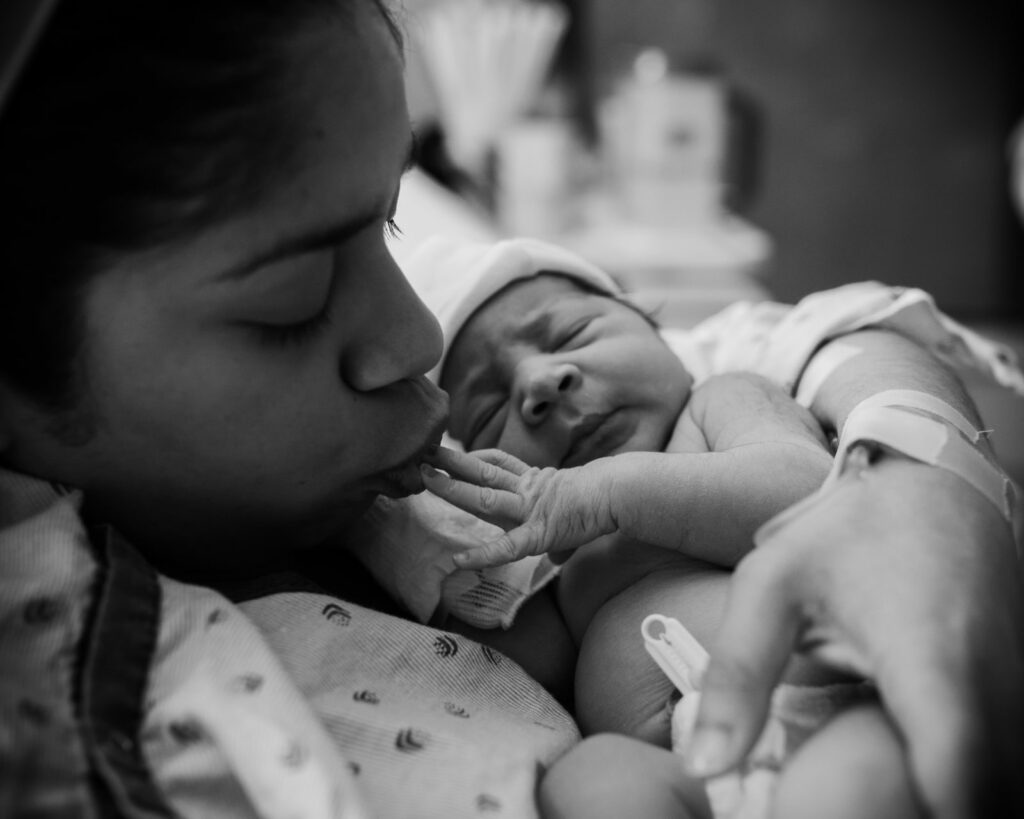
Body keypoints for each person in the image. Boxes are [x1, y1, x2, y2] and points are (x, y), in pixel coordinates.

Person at [0, 3, 1022, 819]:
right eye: (292, 306)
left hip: (828, 690)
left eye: (391, 223)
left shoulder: (709, 406)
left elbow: (796, 393)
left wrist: (927, 472)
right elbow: (503, 646)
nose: (416, 349)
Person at [385, 235, 1021, 817]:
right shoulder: (558, 562)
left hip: (826, 710)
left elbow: (806, 489)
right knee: (588, 778)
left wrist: (614, 490)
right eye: (493, 405)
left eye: (571, 334)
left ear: (659, 332)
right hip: (683, 773)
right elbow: (499, 673)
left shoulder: (719, 404)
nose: (540, 382)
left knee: (850, 787)